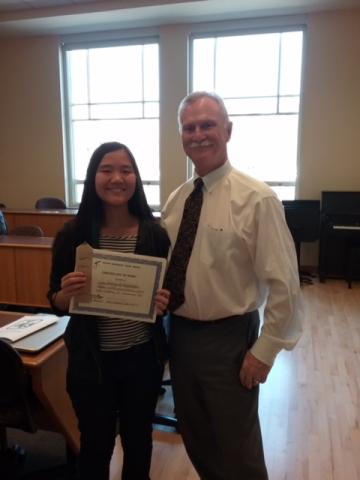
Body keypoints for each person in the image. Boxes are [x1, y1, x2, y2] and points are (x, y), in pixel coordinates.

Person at [162, 92, 303, 480]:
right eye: (189, 127)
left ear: (228, 130)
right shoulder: (178, 200)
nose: (199, 134)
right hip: (181, 333)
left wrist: (265, 351)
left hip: (229, 338)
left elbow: (286, 284)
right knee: (197, 436)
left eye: (208, 124)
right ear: (181, 136)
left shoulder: (257, 199)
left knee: (237, 447)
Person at [47, 141, 170, 480]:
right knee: (95, 446)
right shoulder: (73, 234)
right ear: (92, 177)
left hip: (141, 361)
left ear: (136, 179)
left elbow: (166, 297)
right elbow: (54, 301)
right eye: (106, 169)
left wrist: (163, 304)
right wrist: (65, 295)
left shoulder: (155, 235)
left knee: (138, 443)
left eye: (126, 170)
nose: (117, 178)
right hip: (91, 363)